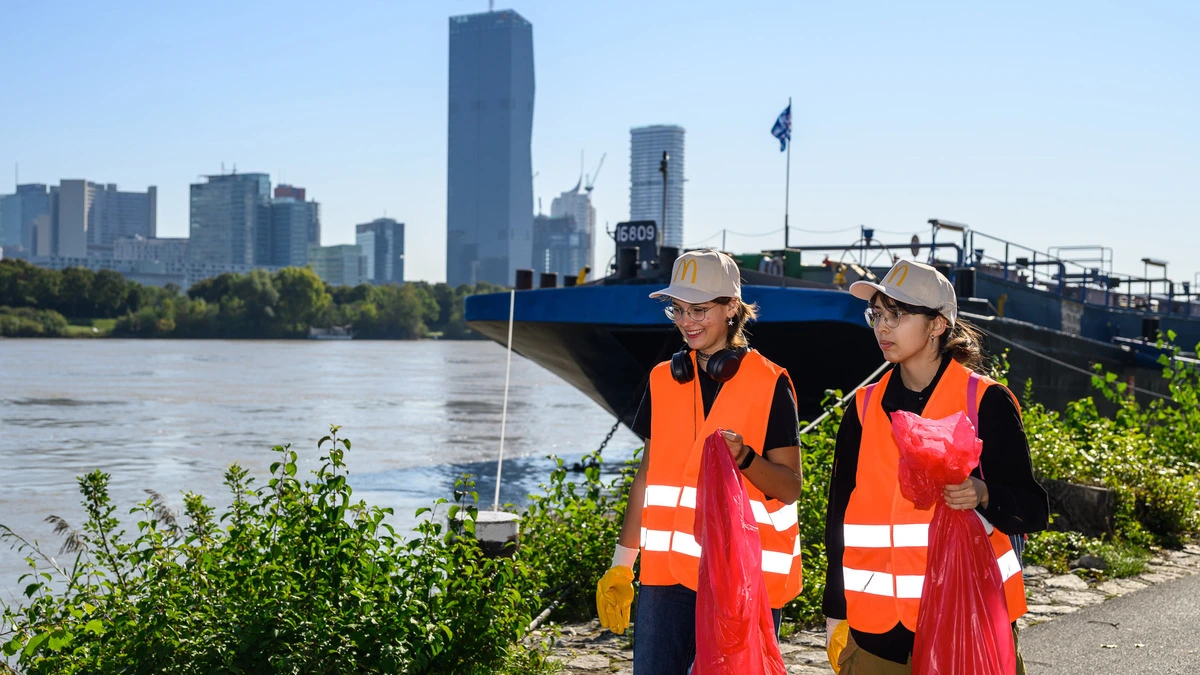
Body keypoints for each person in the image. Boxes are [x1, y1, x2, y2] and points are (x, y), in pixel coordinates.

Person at [823, 259, 1049, 673]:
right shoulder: (863, 407)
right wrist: (835, 609)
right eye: (877, 314)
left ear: (938, 325)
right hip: (876, 627)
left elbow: (1032, 509)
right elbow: (839, 513)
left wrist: (983, 495)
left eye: (898, 315)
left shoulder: (985, 401)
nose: (882, 328)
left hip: (968, 616)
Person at [595, 249, 804, 674]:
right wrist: (621, 563)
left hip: (741, 581)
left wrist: (745, 457)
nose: (686, 321)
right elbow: (647, 477)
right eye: (678, 309)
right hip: (664, 582)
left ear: (731, 308)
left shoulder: (770, 383)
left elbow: (789, 486)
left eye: (699, 310)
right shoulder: (662, 379)